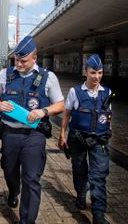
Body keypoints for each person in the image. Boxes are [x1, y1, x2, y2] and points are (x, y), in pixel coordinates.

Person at [0, 36, 64, 224]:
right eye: (16, 60)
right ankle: (14, 190)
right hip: (10, 133)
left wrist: (43, 111)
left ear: (34, 59)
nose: (19, 64)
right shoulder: (5, 75)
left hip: (34, 135)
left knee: (31, 179)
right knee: (9, 170)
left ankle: (27, 220)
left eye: (23, 61)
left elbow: (60, 104)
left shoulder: (48, 78)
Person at [58, 54, 111, 224]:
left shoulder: (107, 93)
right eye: (93, 72)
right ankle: (81, 194)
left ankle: (98, 214)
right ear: (86, 72)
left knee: (98, 176)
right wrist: (62, 133)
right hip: (78, 139)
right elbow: (66, 113)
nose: (97, 76)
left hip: (99, 141)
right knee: (79, 171)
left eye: (100, 73)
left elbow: (108, 116)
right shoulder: (75, 92)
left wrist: (109, 130)